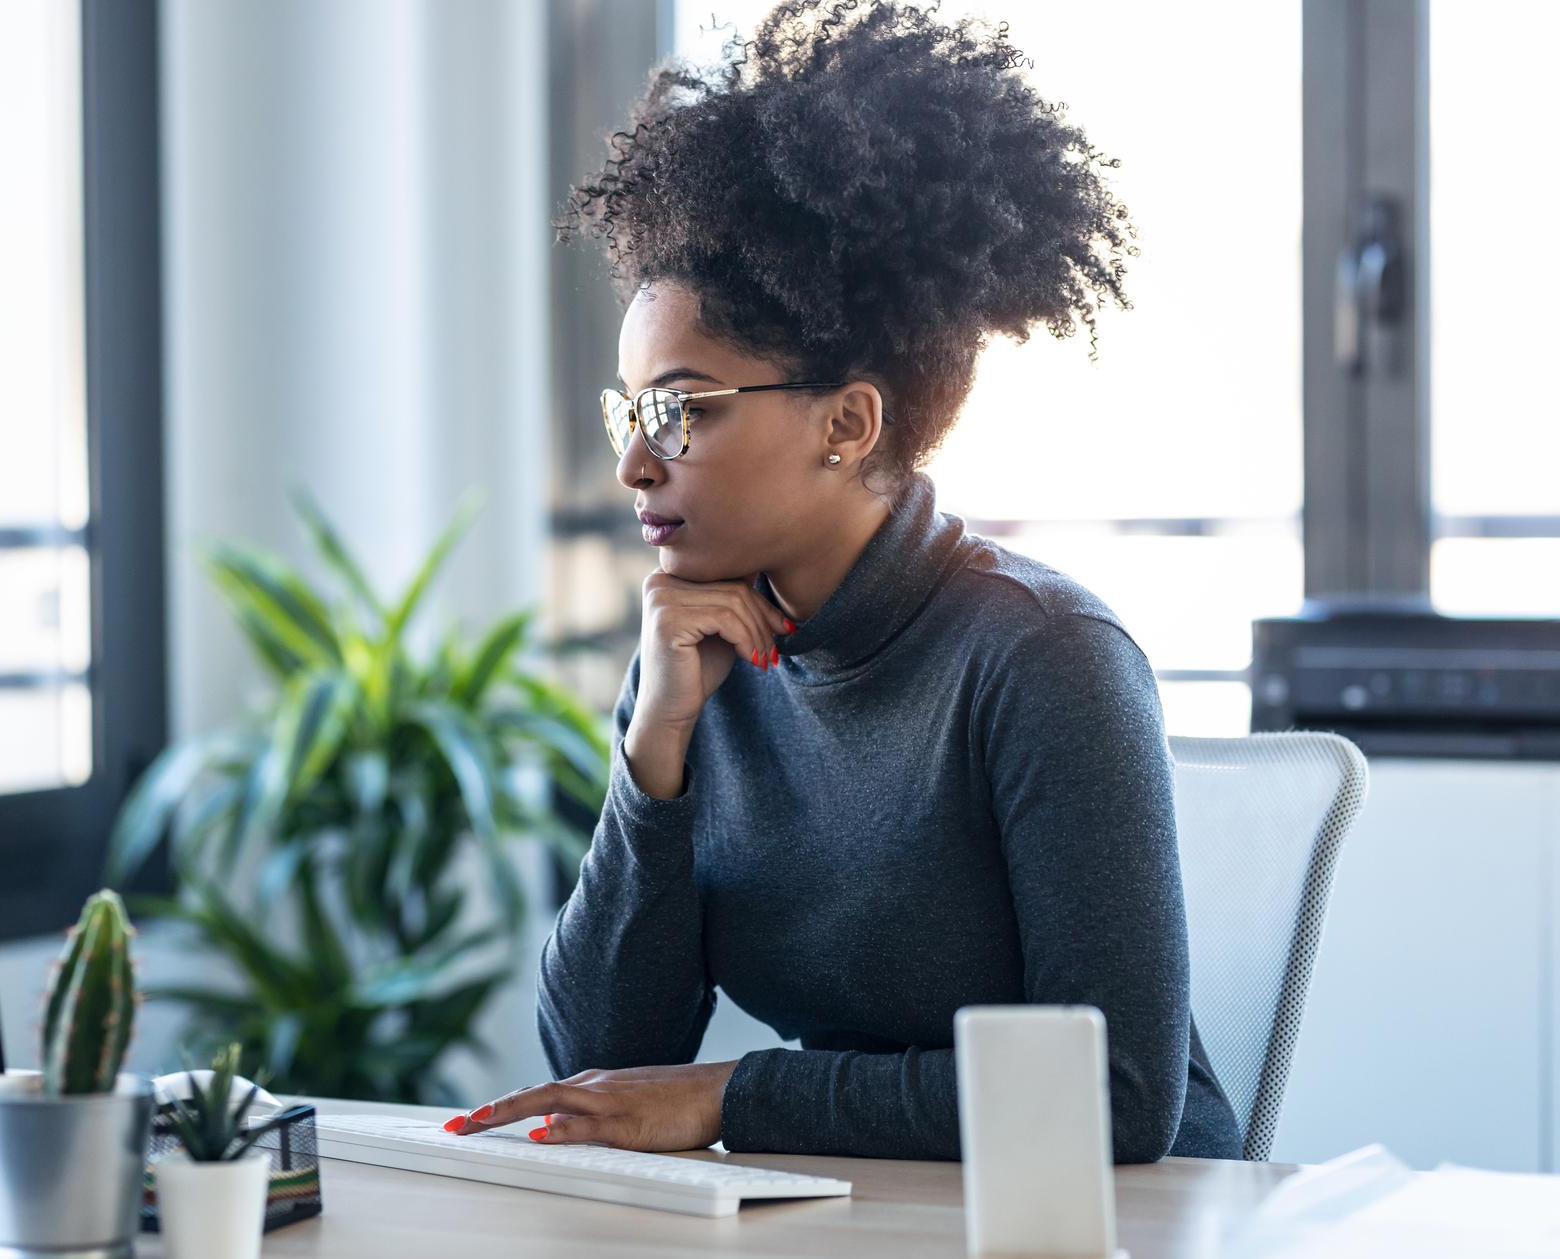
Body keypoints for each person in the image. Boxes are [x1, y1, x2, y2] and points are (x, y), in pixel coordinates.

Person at [445, 0, 1240, 1162]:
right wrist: (653, 758)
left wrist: (734, 1097)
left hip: (1116, 1234)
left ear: (847, 423)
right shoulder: (693, 657)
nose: (632, 460)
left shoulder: (1042, 656)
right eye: (629, 409)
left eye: (677, 409)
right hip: (861, 1223)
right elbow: (597, 1061)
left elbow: (1116, 1098)